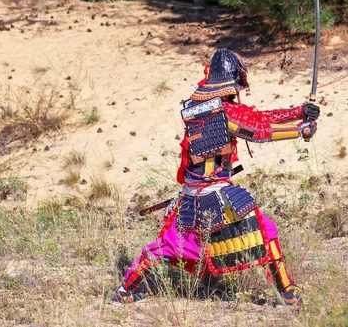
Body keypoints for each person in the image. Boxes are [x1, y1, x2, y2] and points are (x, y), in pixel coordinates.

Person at [112, 48, 320, 305]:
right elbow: (255, 130)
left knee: (169, 246)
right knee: (266, 231)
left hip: (191, 196)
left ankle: (125, 290)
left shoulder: (198, 106)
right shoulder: (222, 110)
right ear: (233, 77)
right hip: (215, 196)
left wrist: (298, 112)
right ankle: (288, 294)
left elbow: (256, 117)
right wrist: (300, 130)